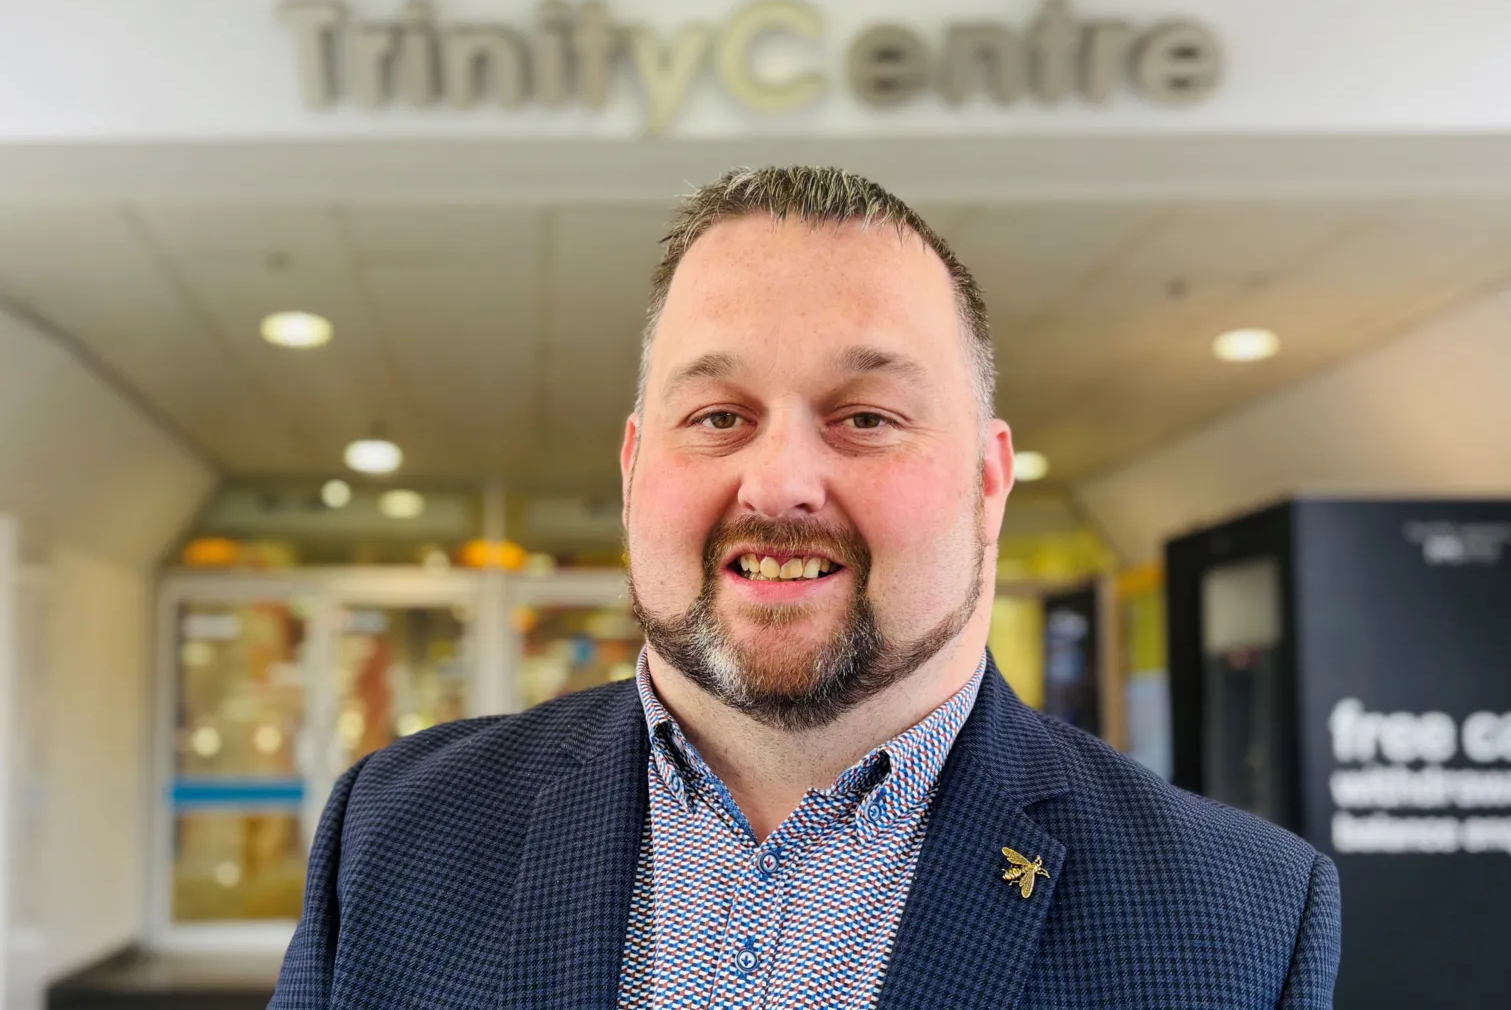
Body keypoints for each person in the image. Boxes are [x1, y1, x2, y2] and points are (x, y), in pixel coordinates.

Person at [270, 166, 1340, 1009]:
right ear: (636, 464)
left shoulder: (1234, 920)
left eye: (865, 417)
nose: (779, 482)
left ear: (988, 479)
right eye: (719, 416)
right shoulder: (401, 832)